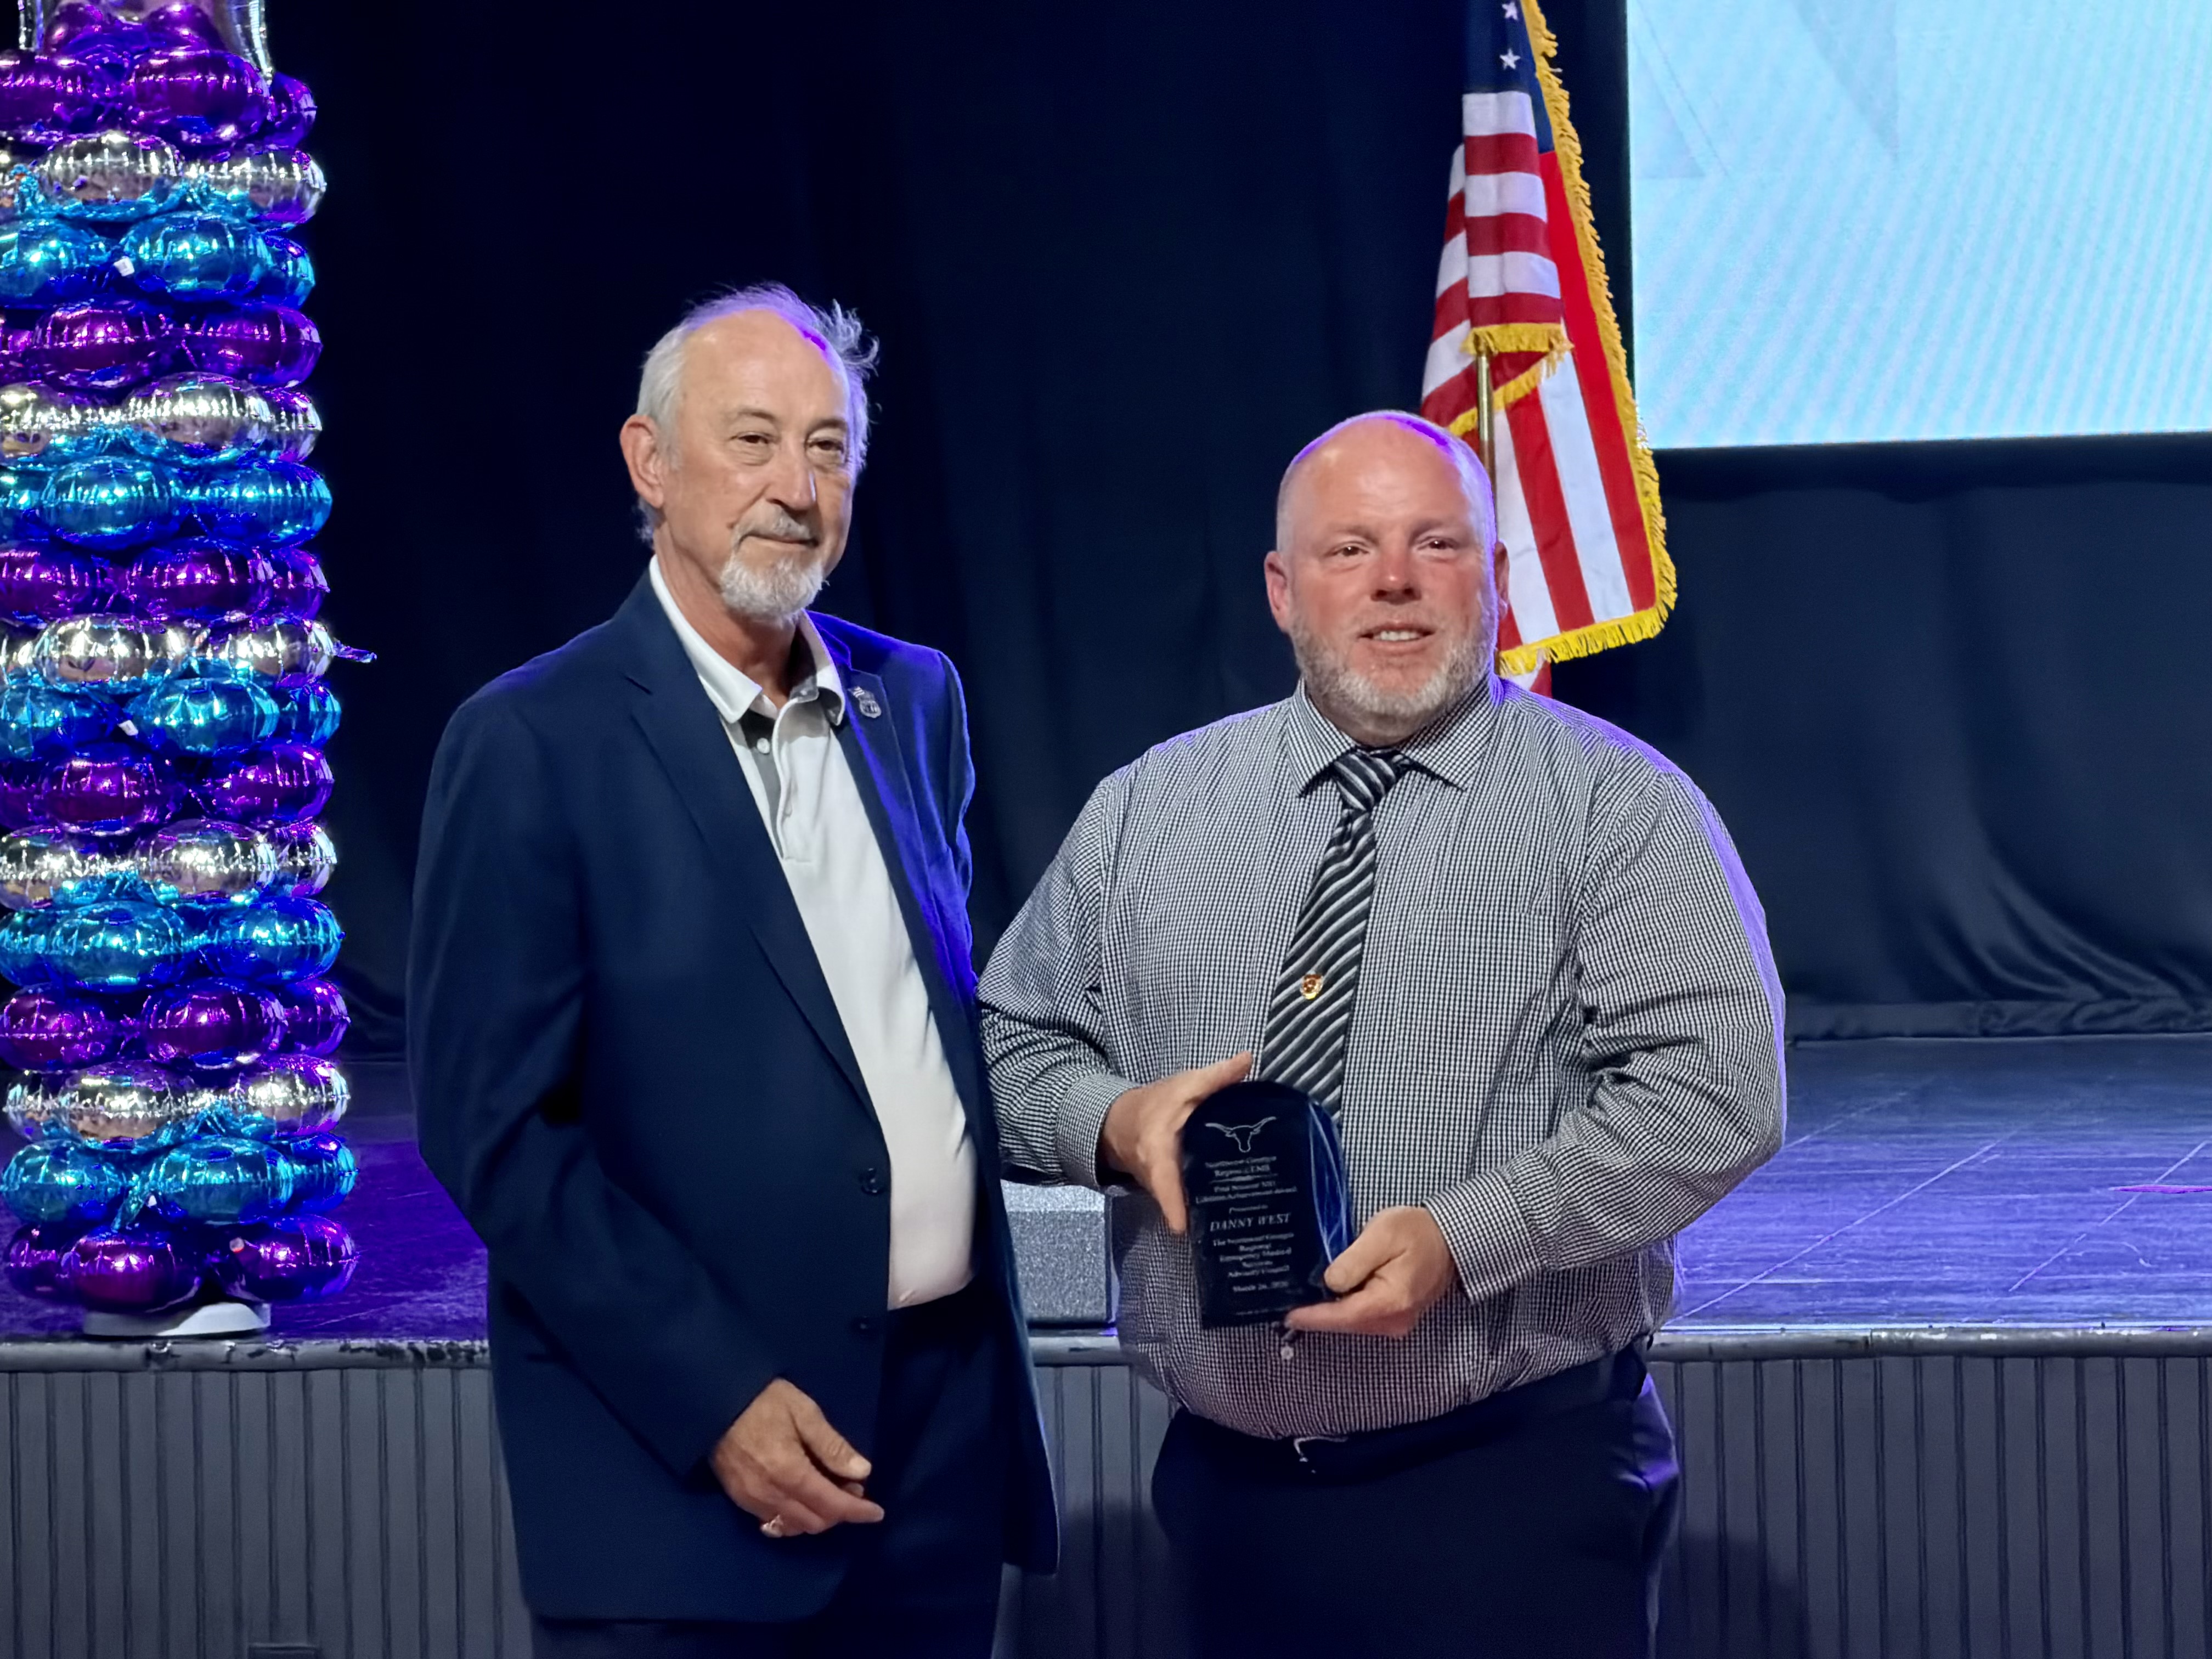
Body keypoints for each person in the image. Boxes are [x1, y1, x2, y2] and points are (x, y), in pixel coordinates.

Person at [979, 411, 1784, 1656]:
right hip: (1229, 1499)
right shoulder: (1149, 810)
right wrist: (1116, 1125)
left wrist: (1466, 1241)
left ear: (1498, 579)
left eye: (1437, 545)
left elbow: (1719, 1092)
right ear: (1282, 588)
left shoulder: (1618, 808)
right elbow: (1009, 1045)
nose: (1394, 581)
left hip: (1518, 1493)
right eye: (1349, 549)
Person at [409, 284, 1056, 1658]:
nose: (794, 487)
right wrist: (712, 1396)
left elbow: (921, 1030)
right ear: (652, 463)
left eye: (828, 449)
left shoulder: (915, 699)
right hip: (688, 1483)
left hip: (933, 1457)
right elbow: (498, 1133)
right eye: (753, 440)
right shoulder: (533, 740)